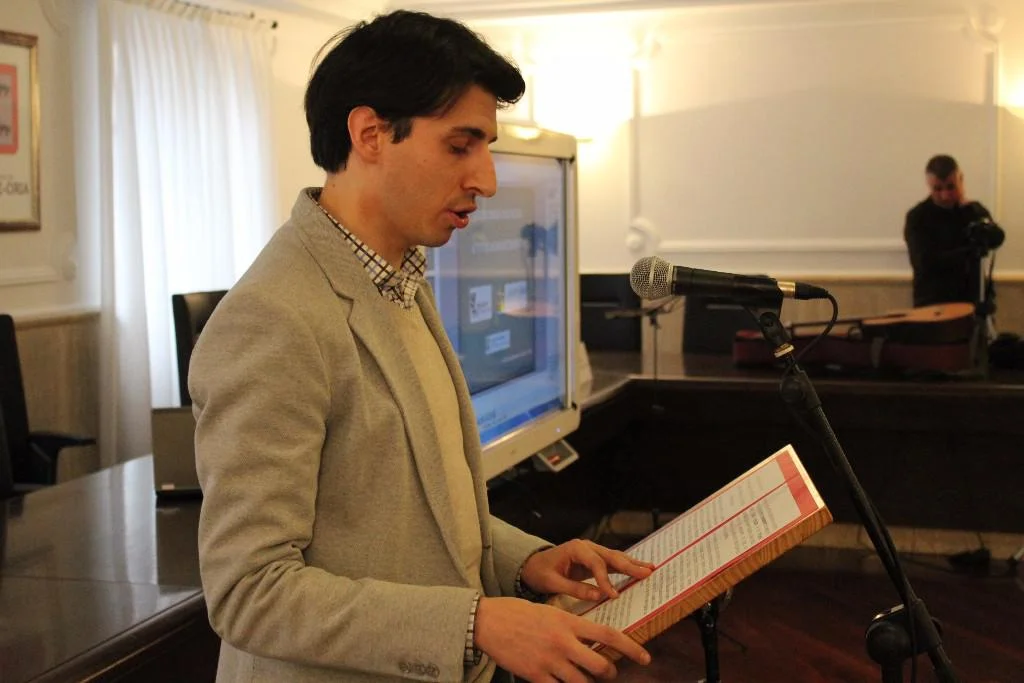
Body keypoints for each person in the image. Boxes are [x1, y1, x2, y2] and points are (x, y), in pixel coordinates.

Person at [189, 10, 654, 683]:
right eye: (461, 146)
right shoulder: (272, 317)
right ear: (370, 134)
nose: (486, 180)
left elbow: (416, 510)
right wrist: (477, 623)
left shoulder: (399, 276)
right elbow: (249, 592)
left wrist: (524, 561)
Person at [904, 154, 1004, 309]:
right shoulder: (918, 217)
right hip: (933, 303)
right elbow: (924, 262)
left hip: (972, 301)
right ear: (928, 185)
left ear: (961, 180)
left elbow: (997, 237)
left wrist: (973, 212)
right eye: (937, 189)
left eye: (951, 187)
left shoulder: (973, 211)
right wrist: (969, 252)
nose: (945, 195)